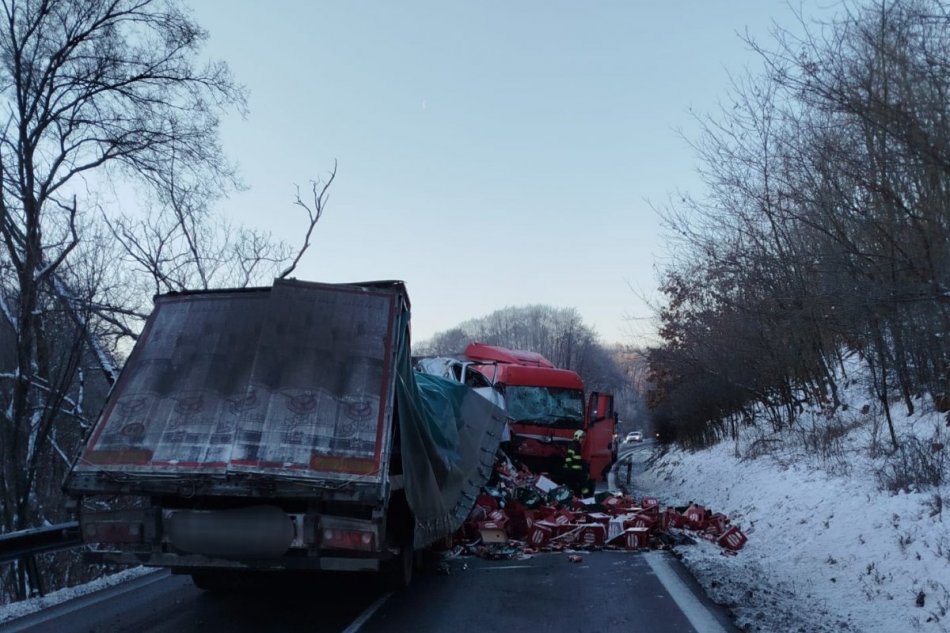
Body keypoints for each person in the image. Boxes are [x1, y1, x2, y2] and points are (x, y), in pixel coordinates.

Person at [563, 429, 592, 498]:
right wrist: (570, 467)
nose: (582, 439)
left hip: (574, 470)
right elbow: (569, 457)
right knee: (580, 484)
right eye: (582, 437)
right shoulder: (574, 445)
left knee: (577, 485)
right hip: (572, 471)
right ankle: (585, 497)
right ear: (578, 436)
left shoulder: (576, 445)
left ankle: (580, 497)